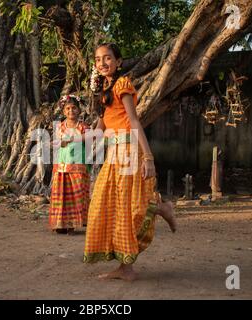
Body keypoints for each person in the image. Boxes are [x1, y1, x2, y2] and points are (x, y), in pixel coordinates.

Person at [83, 43, 177, 281]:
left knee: (128, 207)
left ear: (118, 61)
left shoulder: (123, 84)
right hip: (113, 152)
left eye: (107, 58)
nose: (102, 63)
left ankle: (162, 208)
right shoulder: (106, 86)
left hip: (128, 149)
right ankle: (126, 268)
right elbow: (103, 124)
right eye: (97, 60)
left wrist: (148, 157)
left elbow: (135, 121)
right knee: (106, 205)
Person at [49, 95, 90, 235]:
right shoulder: (60, 127)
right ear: (63, 111)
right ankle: (60, 223)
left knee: (75, 194)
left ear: (79, 110)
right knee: (62, 194)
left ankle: (73, 224)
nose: (71, 111)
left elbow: (90, 138)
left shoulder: (83, 127)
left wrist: (73, 138)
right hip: (62, 166)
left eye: (74, 108)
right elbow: (57, 143)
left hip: (78, 166)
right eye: (67, 108)